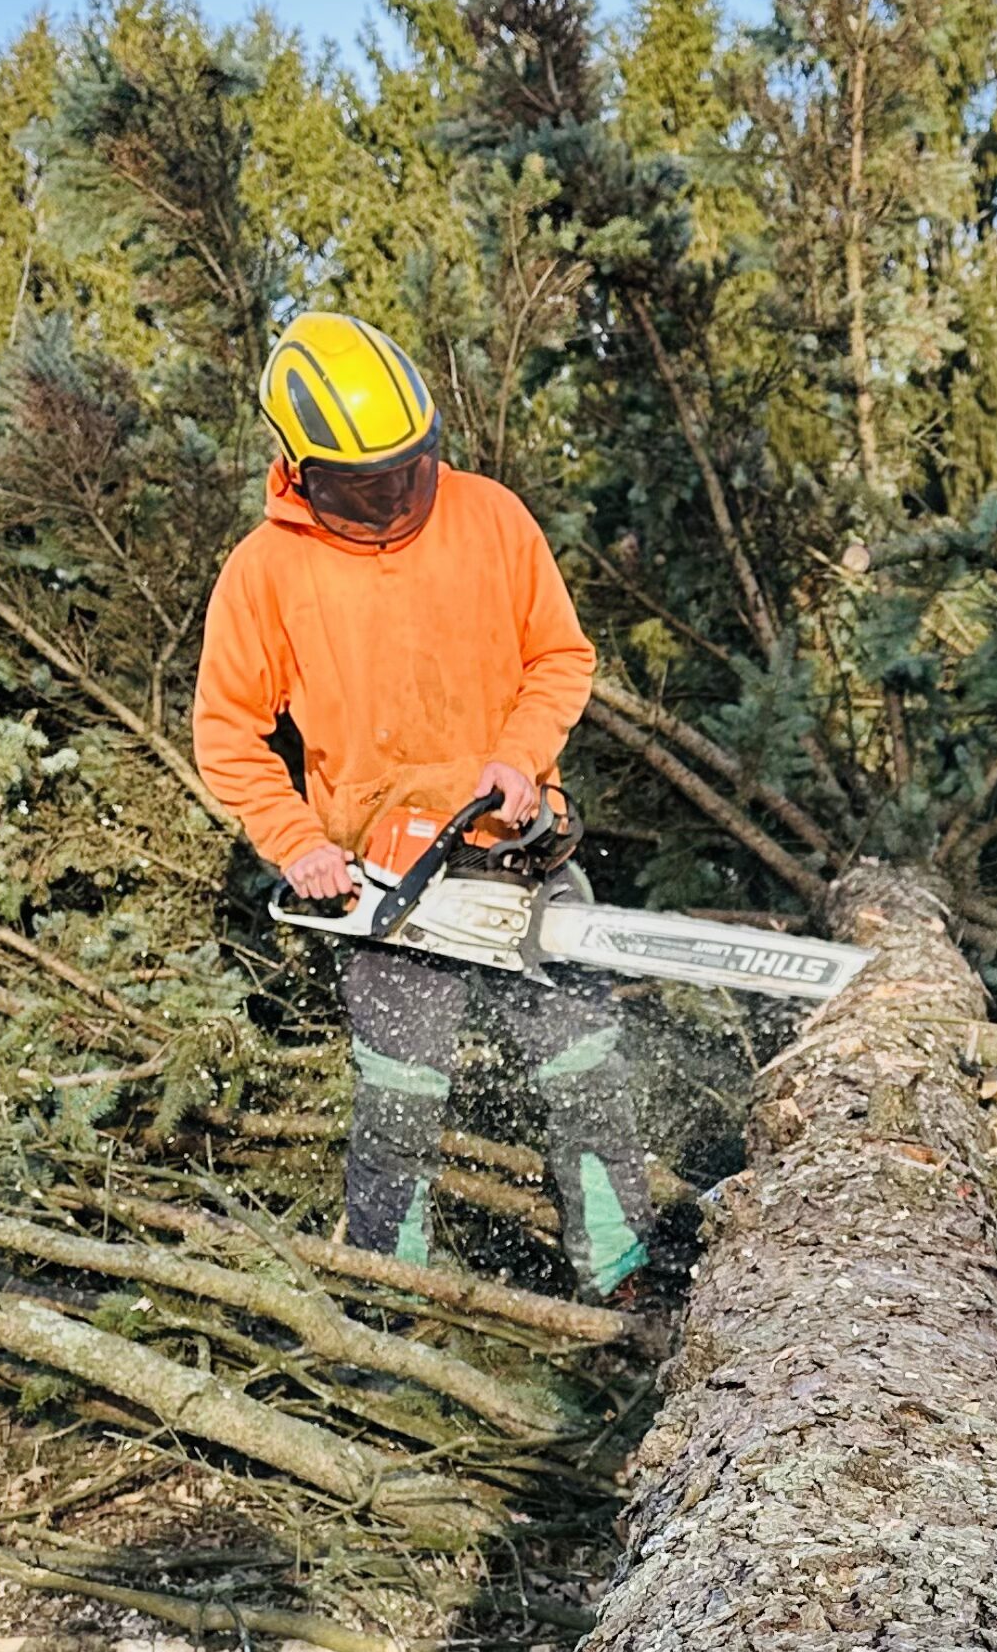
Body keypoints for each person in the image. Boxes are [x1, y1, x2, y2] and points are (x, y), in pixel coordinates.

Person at [192, 309, 654, 1297]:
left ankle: (623, 1290)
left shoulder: (489, 516)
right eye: (366, 482)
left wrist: (522, 757)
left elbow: (560, 657)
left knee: (588, 1071)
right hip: (384, 877)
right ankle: (384, 1315)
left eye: (407, 467)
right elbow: (228, 731)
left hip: (514, 844)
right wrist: (296, 843)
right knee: (399, 1102)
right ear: (302, 467)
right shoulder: (265, 574)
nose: (396, 492)